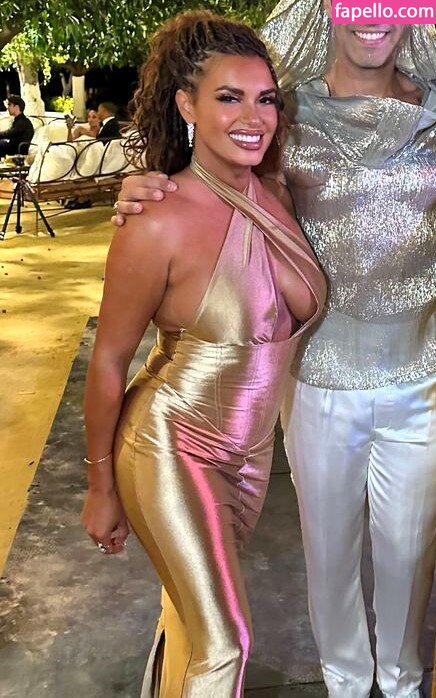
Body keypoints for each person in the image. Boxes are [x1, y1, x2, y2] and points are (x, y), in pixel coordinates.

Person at [113, 3, 436, 697]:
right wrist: (149, 186)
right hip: (316, 379)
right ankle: (345, 685)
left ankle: (405, 686)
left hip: (422, 380)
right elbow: (224, 180)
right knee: (330, 555)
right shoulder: (288, 115)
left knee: (411, 558)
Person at [81, 10, 326, 698]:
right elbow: (109, 362)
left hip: (249, 457)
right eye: (228, 97)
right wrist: (100, 487)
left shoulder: (276, 193)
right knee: (225, 643)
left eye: (265, 98)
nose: (253, 117)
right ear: (186, 104)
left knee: (189, 616)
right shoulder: (155, 220)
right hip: (169, 445)